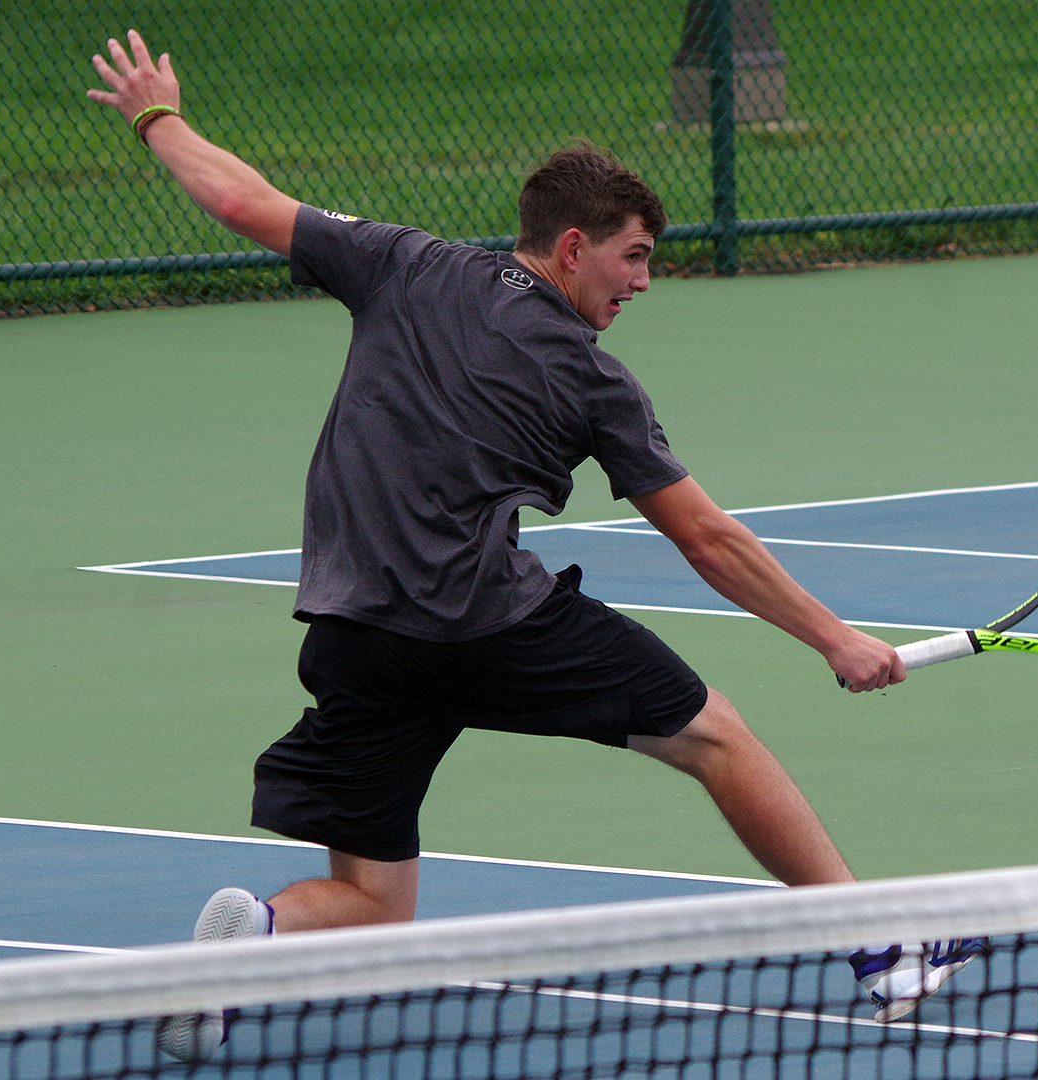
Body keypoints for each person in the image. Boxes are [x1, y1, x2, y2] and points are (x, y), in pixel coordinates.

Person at [86, 30, 980, 1058]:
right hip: (482, 623)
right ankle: (882, 946)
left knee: (373, 904)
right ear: (571, 247)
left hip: (351, 632)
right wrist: (834, 638)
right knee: (717, 734)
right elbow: (708, 537)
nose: (644, 282)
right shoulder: (593, 380)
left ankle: (258, 938)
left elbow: (242, 201)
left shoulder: (403, 262)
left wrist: (160, 117)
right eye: (634, 256)